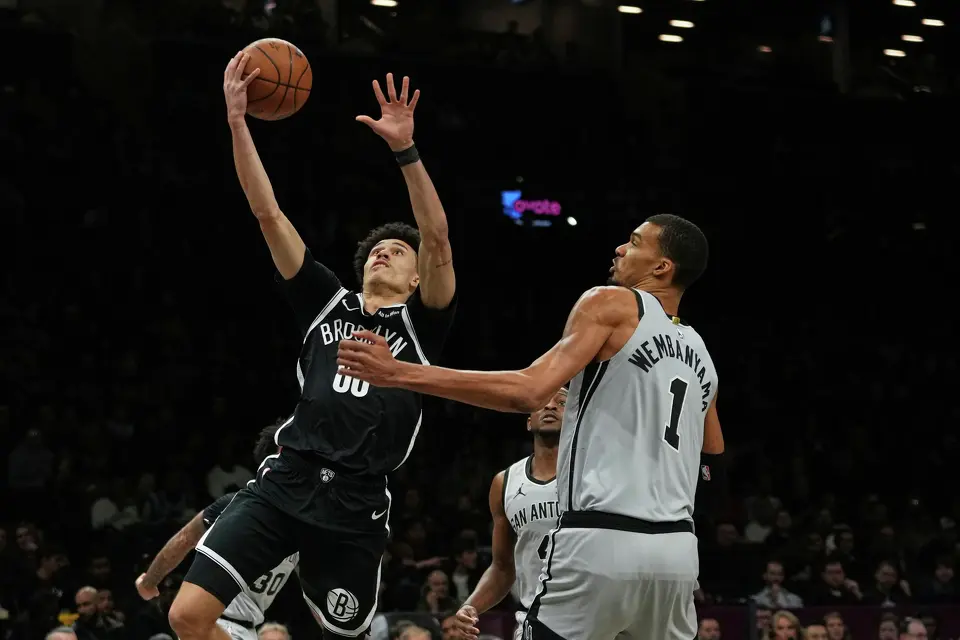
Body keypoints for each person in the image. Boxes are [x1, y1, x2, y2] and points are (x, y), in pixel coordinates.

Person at [168, 55, 457, 640]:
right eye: (379, 248)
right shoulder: (326, 301)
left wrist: (405, 151)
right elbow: (267, 212)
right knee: (187, 616)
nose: (385, 252)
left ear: (418, 277)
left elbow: (437, 235)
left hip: (355, 504)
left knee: (342, 633)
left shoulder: (423, 324)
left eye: (398, 253)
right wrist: (237, 124)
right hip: (285, 481)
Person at [338, 214, 725, 640]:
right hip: (678, 553)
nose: (619, 249)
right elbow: (712, 454)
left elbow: (527, 391)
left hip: (602, 537)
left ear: (661, 268)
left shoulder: (611, 303)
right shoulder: (700, 353)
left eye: (633, 243)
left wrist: (399, 372)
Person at [137, 421, 296, 640]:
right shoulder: (299, 524)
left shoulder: (296, 521)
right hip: (216, 623)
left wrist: (149, 583)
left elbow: (184, 538)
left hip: (240, 630)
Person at [450, 389, 567, 640]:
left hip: (591, 614)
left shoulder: (594, 475)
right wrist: (471, 606)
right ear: (528, 422)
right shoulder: (505, 483)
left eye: (562, 402)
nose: (550, 406)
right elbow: (503, 567)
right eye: (542, 401)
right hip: (535, 618)